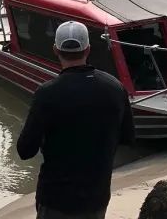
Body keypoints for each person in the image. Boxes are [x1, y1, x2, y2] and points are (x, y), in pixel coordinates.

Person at [17, 21, 135, 219]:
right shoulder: (115, 87)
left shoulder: (47, 94)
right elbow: (128, 138)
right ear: (88, 49)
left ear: (56, 49)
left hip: (56, 200)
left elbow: (25, 150)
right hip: (96, 197)